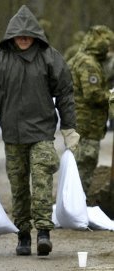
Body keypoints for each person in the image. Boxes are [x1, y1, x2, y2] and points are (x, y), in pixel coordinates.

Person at [0, 5, 79, 257]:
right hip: (12, 134)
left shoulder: (49, 57)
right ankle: (23, 234)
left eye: (27, 34)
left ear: (35, 35)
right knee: (19, 186)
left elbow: (65, 93)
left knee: (42, 179)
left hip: (42, 132)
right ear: (11, 35)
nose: (23, 38)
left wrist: (69, 127)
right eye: (18, 34)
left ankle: (43, 231)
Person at [68, 25, 114, 195]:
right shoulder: (89, 64)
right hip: (87, 126)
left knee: (77, 166)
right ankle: (78, 208)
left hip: (79, 124)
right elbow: (92, 94)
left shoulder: (79, 58)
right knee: (84, 168)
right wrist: (111, 96)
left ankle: (74, 206)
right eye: (108, 45)